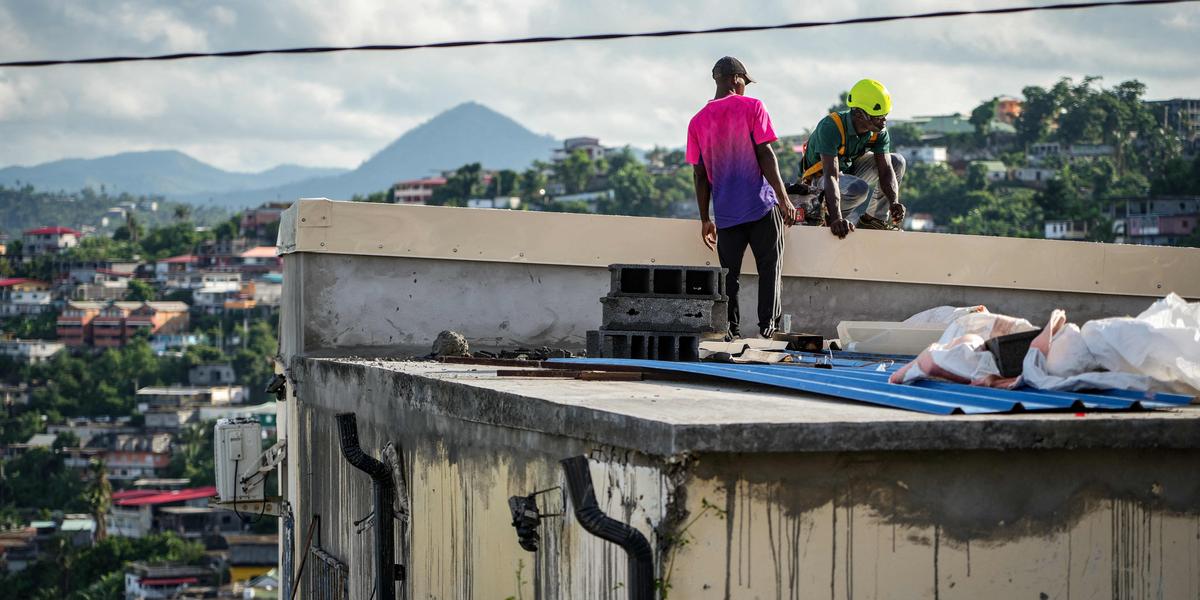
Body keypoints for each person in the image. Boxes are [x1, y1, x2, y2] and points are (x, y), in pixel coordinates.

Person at [686, 56, 796, 339]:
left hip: (725, 212)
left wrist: (704, 219)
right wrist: (784, 200)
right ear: (736, 79)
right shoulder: (753, 106)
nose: (746, 87)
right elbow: (765, 154)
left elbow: (699, 174)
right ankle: (767, 329)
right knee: (770, 268)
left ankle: (731, 330)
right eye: (745, 82)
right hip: (761, 206)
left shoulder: (697, 122)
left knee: (729, 276)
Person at [797, 78, 906, 238]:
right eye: (878, 116)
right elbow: (831, 176)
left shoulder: (879, 132)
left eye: (885, 115)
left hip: (848, 172)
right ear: (859, 114)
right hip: (821, 182)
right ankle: (829, 218)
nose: (884, 121)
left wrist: (894, 201)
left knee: (897, 161)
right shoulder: (831, 127)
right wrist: (836, 219)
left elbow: (886, 170)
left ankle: (874, 221)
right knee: (859, 188)